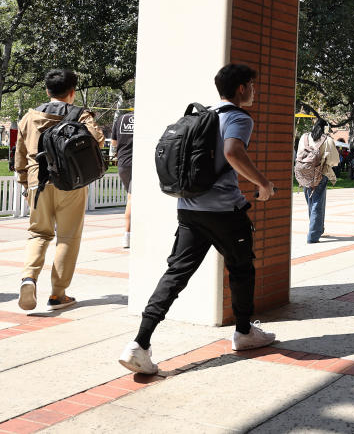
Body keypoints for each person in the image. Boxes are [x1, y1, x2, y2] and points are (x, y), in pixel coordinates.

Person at [118, 64, 278, 375]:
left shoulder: (201, 116)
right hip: (224, 212)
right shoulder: (238, 117)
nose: (253, 92)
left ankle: (140, 343)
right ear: (242, 88)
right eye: (251, 86)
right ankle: (244, 332)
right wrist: (263, 184)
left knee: (175, 274)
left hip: (189, 209)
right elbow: (233, 152)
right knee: (242, 268)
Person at [16, 69, 106, 311]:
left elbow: (20, 156)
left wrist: (25, 185)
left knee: (38, 233)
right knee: (67, 237)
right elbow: (98, 139)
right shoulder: (80, 115)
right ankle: (58, 295)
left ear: (47, 91)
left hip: (38, 183)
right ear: (72, 92)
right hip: (71, 183)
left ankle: (28, 279)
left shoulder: (29, 116)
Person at [296, 118, 339, 243]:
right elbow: (334, 160)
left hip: (304, 174)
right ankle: (313, 235)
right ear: (326, 128)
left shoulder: (304, 137)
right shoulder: (327, 140)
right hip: (320, 174)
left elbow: (299, 154)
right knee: (317, 204)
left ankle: (317, 227)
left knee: (310, 202)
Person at [110, 110, 135, 249]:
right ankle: (128, 235)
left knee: (130, 199)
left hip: (123, 163)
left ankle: (129, 234)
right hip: (138, 163)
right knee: (132, 200)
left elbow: (114, 142)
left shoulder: (121, 118)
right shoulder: (146, 118)